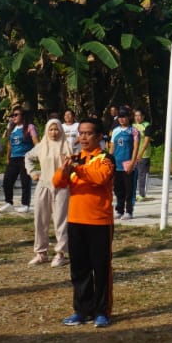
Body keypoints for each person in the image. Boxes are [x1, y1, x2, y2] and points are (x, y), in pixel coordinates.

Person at [57, 118, 115, 328]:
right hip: (76, 220)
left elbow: (100, 178)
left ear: (99, 137)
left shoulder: (105, 159)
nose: (83, 137)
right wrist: (65, 170)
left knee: (100, 268)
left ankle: (102, 311)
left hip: (99, 221)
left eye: (88, 133)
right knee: (79, 269)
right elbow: (58, 182)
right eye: (80, 133)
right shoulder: (75, 158)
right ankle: (81, 310)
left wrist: (77, 168)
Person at [26, 118, 72, 266]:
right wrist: (33, 173)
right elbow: (28, 157)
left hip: (62, 187)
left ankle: (61, 253)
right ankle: (41, 252)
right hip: (44, 185)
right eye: (51, 129)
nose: (54, 132)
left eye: (56, 129)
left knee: (61, 221)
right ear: (47, 130)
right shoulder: (41, 146)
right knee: (40, 219)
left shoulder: (68, 146)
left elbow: (78, 164)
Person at [3, 108, 37, 213]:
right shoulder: (11, 128)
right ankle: (9, 202)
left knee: (25, 181)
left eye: (16, 115)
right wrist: (7, 157)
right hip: (14, 158)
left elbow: (36, 142)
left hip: (25, 157)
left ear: (23, 116)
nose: (14, 117)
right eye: (13, 115)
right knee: (7, 181)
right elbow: (9, 144)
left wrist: (38, 155)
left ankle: (25, 204)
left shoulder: (30, 127)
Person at [110, 108, 137, 220]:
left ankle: (129, 211)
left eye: (124, 117)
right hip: (116, 163)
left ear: (128, 117)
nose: (122, 119)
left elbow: (136, 147)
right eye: (120, 117)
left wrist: (132, 162)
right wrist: (109, 161)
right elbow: (112, 147)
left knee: (129, 189)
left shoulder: (133, 131)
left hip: (128, 163)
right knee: (118, 188)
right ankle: (119, 209)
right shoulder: (115, 131)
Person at [131, 109, 153, 201]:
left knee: (142, 174)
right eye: (136, 115)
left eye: (139, 115)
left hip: (143, 154)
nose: (137, 117)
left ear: (143, 116)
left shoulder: (147, 126)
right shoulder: (132, 126)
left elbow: (147, 141)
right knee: (132, 175)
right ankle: (133, 193)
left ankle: (142, 194)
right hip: (132, 154)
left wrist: (140, 153)